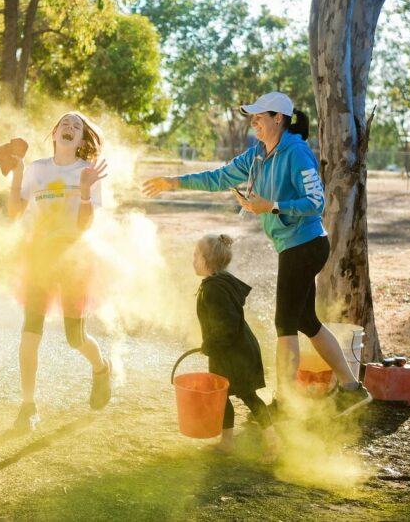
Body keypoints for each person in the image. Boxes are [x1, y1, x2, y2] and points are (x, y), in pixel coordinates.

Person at [143, 92, 372, 417]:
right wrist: (174, 183)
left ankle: (284, 402)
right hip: (293, 247)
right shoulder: (257, 156)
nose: (253, 122)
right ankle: (352, 389)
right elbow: (219, 177)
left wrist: (272, 206)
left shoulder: (297, 153)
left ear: (278, 119)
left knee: (284, 324)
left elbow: (316, 203)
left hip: (305, 245)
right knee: (306, 321)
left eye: (258, 116)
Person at [7, 112, 112, 431]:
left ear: (81, 140)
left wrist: (84, 191)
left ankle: (101, 368)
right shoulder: (37, 169)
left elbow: (84, 225)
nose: (70, 127)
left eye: (77, 126)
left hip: (73, 260)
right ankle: (28, 406)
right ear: (54, 133)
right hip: (39, 256)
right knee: (30, 331)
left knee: (74, 337)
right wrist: (17, 174)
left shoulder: (87, 172)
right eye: (65, 123)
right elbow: (14, 213)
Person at [194, 234, 280, 462]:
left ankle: (273, 443)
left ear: (207, 260)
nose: (192, 261)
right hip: (228, 351)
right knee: (221, 396)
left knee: (248, 396)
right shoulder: (216, 283)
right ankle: (227, 442)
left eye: (196, 256)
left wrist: (209, 345)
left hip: (236, 352)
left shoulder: (215, 289)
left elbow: (228, 325)